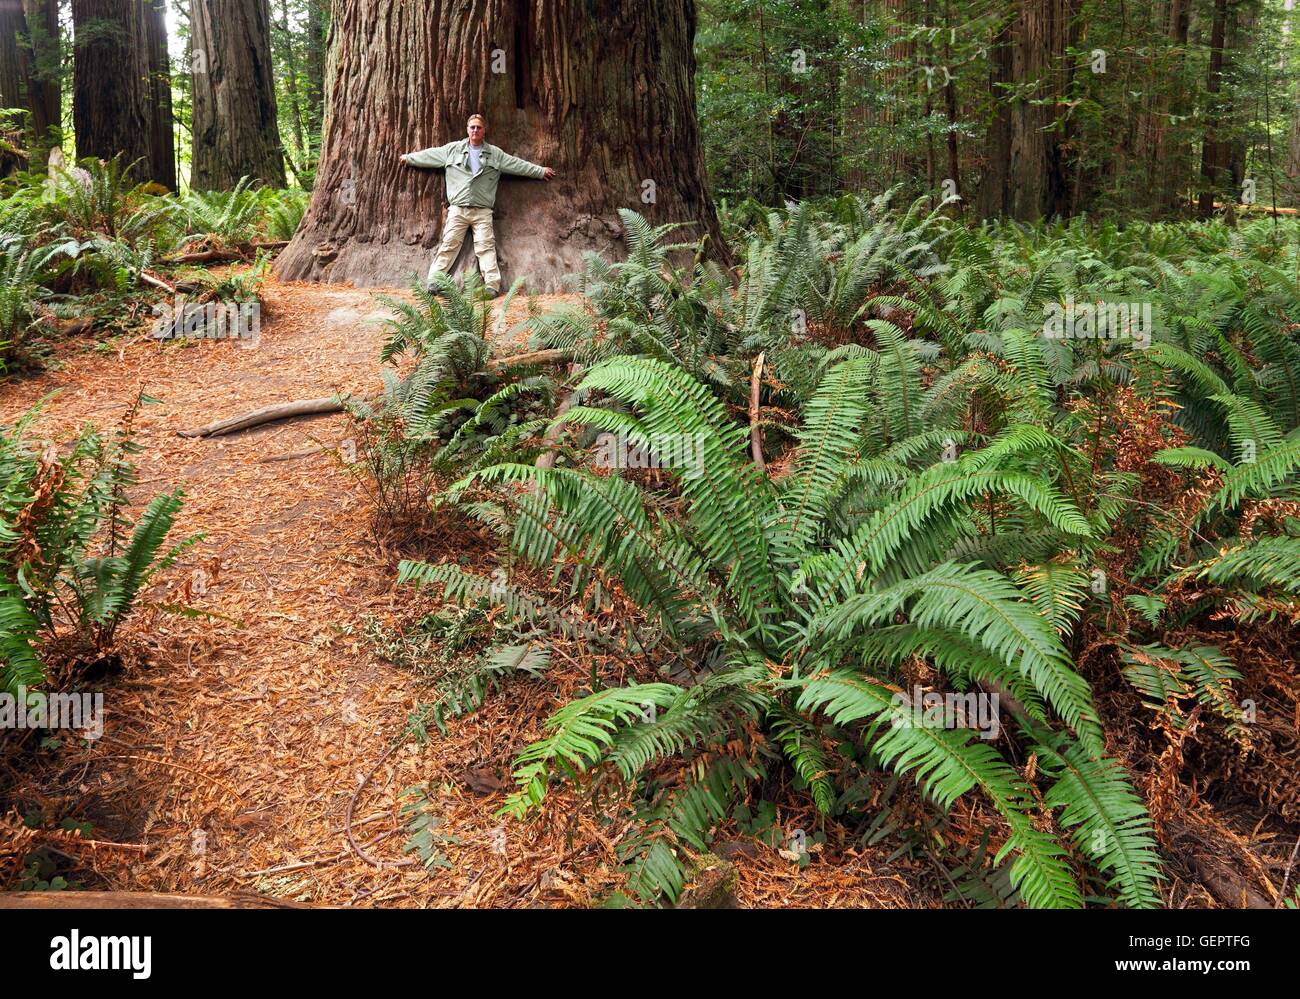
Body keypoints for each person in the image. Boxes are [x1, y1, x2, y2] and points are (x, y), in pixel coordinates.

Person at [400, 113, 555, 296]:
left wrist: (539, 171)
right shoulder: (452, 150)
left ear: (484, 130)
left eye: (478, 127)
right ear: (467, 130)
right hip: (458, 209)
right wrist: (409, 158)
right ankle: (434, 281)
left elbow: (517, 165)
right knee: (449, 244)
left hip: (482, 211)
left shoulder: (495, 154)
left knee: (485, 247)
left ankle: (492, 285)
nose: (475, 130)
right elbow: (430, 154)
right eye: (472, 127)